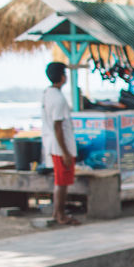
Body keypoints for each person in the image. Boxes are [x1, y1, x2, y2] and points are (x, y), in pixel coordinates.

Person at [40, 62, 80, 225]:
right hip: (60, 146)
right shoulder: (58, 99)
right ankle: (60, 215)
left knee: (60, 181)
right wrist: (65, 152)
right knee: (62, 182)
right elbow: (58, 127)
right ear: (63, 77)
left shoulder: (47, 94)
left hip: (53, 143)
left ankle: (58, 213)